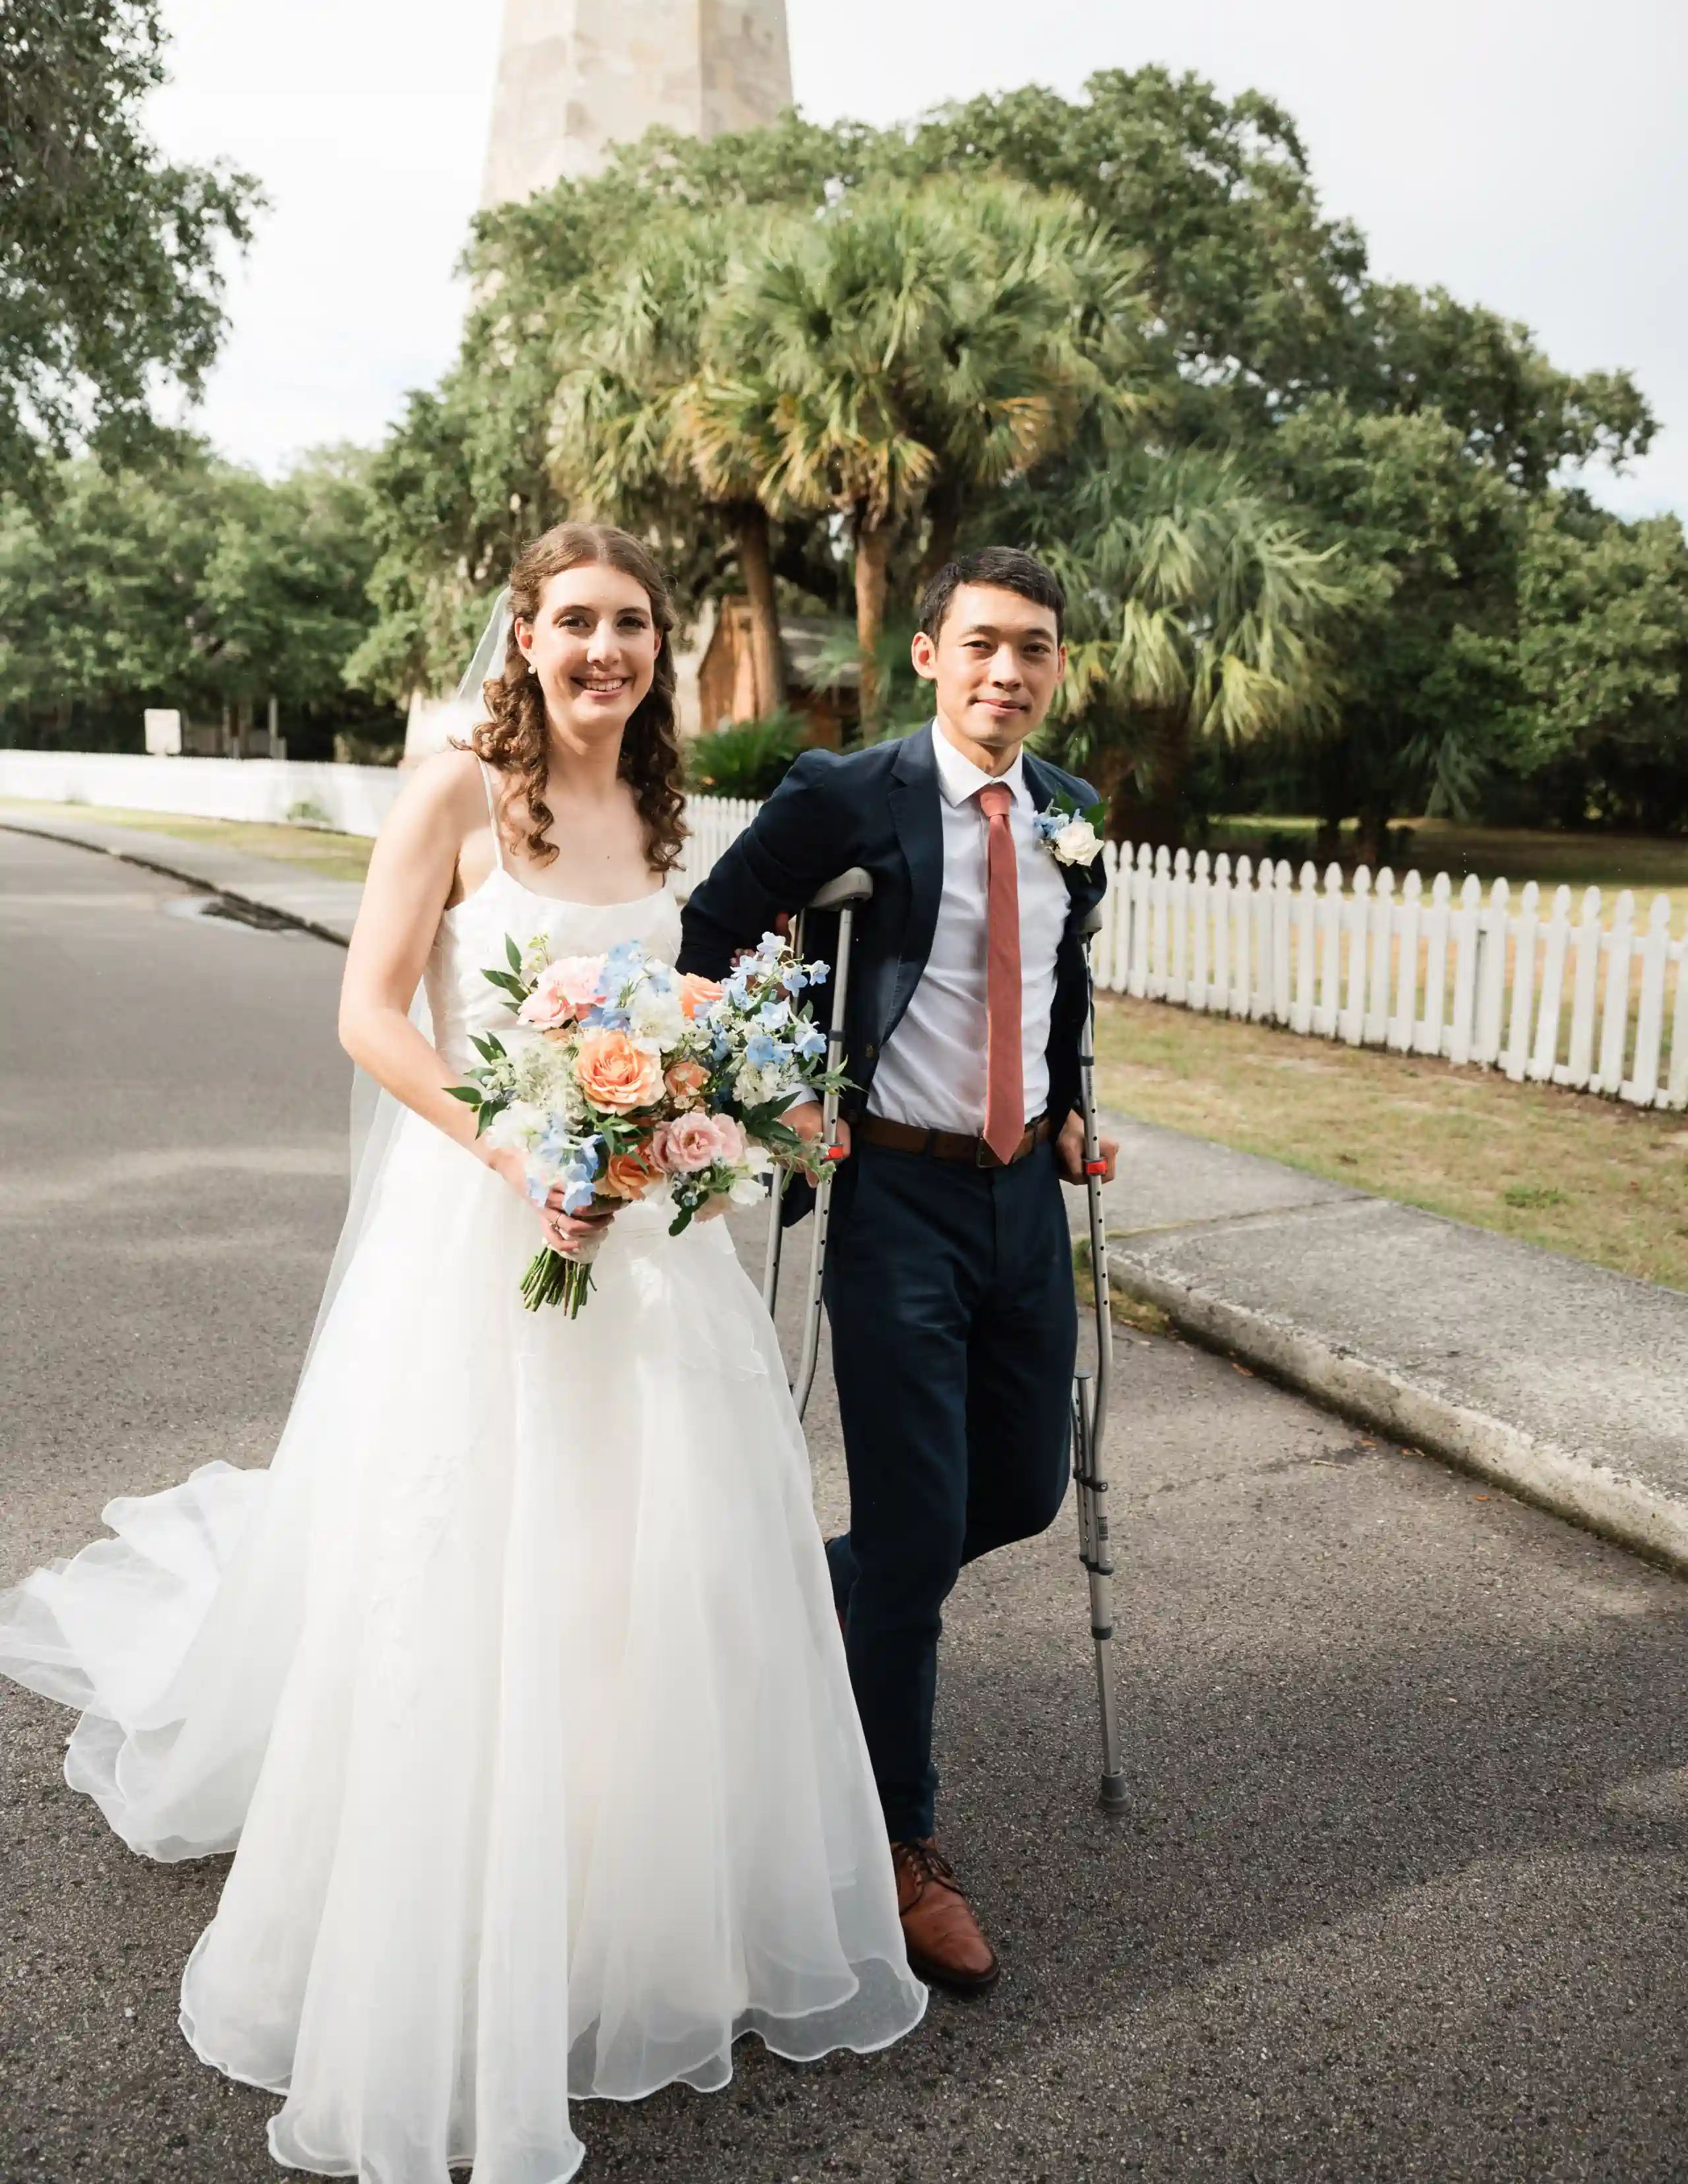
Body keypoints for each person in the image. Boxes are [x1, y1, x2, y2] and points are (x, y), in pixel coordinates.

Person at [0, 522, 924, 2184]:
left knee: (652, 1568)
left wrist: (712, 1127)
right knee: (473, 1558)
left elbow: (681, 1013)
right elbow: (369, 1014)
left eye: (631, 625)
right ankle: (462, 1891)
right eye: (575, 621)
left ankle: (629, 1902)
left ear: (658, 645)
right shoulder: (446, 791)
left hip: (647, 1244)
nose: (606, 650)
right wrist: (514, 1150)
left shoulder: (660, 810)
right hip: (485, 1227)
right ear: (520, 634)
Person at [681, 545, 1119, 1998]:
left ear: (1057, 668)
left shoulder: (1068, 817)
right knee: (917, 1538)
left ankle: (810, 1601)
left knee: (1019, 1493)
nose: (1010, 672)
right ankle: (897, 1842)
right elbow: (707, 936)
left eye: (1036, 650)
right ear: (926, 654)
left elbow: (1053, 987)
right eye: (984, 645)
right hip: (891, 1201)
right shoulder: (842, 794)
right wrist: (774, 1087)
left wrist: (1062, 1108)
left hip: (1017, 1204)